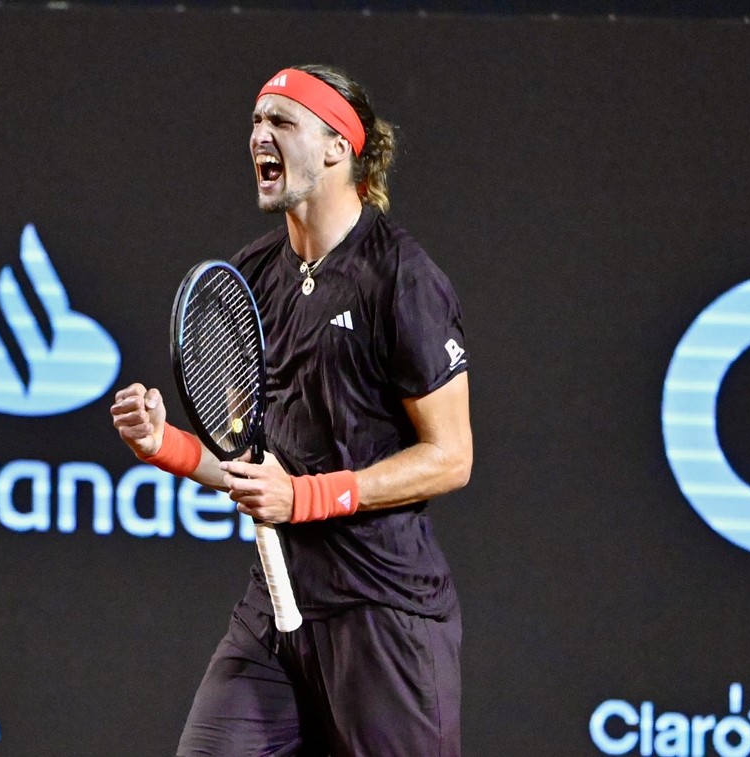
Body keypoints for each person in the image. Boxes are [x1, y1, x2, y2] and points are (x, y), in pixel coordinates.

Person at [111, 64, 472, 756]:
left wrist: (305, 497)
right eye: (255, 121)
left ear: (339, 147)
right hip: (275, 614)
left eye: (281, 122)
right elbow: (254, 468)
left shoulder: (402, 278)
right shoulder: (250, 277)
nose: (259, 136)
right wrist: (169, 445)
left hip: (383, 613)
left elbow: (452, 456)